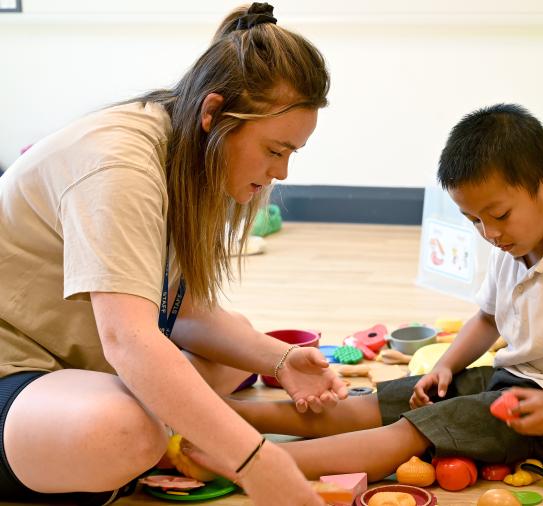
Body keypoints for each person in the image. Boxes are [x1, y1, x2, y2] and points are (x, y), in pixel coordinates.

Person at [0, 3, 345, 505]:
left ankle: (139, 434)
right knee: (123, 432)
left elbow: (178, 307)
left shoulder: (181, 146)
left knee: (233, 351)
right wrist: (257, 462)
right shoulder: (120, 167)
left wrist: (283, 359)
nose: (282, 173)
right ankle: (122, 446)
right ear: (212, 113)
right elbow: (128, 340)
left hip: (74, 363)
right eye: (275, 150)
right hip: (16, 365)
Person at [203, 103, 543, 481]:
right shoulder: (514, 240)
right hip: (520, 381)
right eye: (475, 220)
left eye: (498, 215)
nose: (488, 233)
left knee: (412, 431)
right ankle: (216, 415)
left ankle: (246, 466)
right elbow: (488, 319)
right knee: (382, 401)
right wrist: (445, 365)